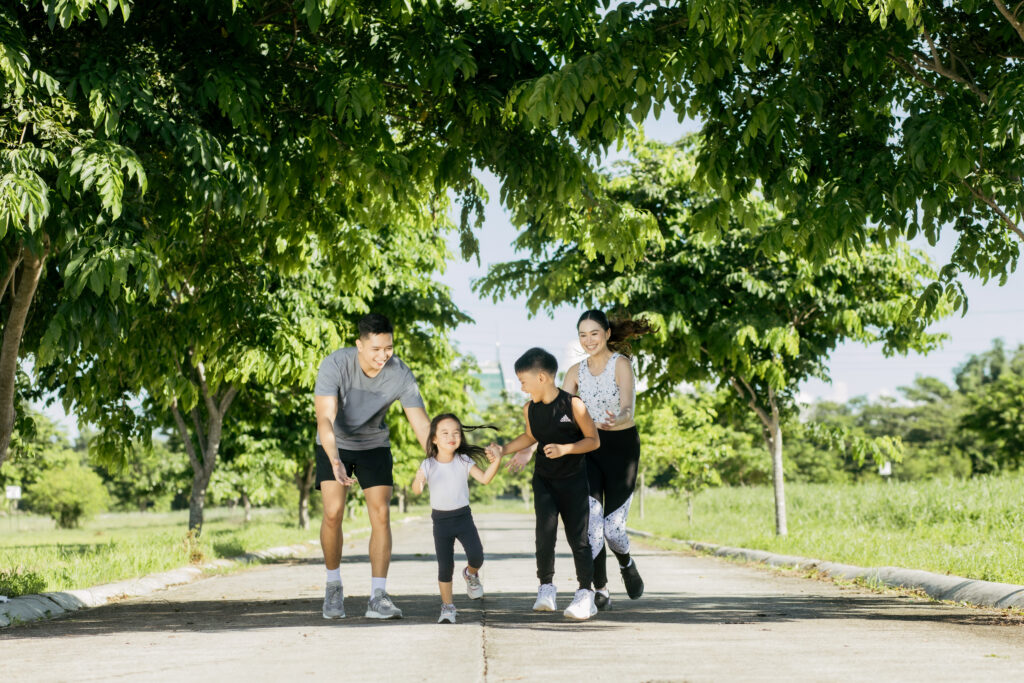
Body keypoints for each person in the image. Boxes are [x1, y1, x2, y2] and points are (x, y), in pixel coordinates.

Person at [314, 313, 430, 620]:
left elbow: (419, 422)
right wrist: (335, 459)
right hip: (333, 442)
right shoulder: (336, 364)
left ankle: (378, 596)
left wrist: (437, 460)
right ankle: (333, 585)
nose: (383, 355)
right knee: (332, 512)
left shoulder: (400, 373)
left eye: (388, 347)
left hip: (373, 444)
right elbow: (324, 417)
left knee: (380, 512)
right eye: (376, 349)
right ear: (360, 345)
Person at [489, 347, 601, 620]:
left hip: (573, 481)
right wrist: (503, 450)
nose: (521, 386)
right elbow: (529, 436)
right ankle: (546, 588)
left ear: (542, 377)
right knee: (544, 535)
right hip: (544, 481)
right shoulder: (530, 409)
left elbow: (593, 440)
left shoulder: (574, 405)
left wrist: (566, 449)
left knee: (579, 539)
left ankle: (586, 594)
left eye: (523, 380)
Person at [562, 310, 652, 610]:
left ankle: (626, 563)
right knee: (593, 526)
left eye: (594, 334)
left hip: (621, 449)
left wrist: (618, 418)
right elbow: (559, 414)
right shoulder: (574, 372)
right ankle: (600, 588)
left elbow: (628, 407)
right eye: (583, 335)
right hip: (588, 449)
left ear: (607, 334)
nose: (588, 340)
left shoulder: (621, 365)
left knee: (614, 529)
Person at [411, 414, 503, 624]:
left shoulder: (463, 460)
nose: (451, 437)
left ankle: (470, 574)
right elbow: (416, 490)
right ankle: (448, 607)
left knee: (477, 556)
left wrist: (497, 461)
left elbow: (485, 479)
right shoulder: (428, 464)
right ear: (434, 438)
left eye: (456, 433)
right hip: (441, 522)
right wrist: (418, 480)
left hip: (463, 518)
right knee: (445, 567)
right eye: (445, 433)